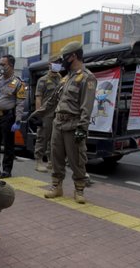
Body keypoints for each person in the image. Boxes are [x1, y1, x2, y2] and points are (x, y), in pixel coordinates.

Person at [29, 41, 97, 204]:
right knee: (56, 157)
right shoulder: (65, 79)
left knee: (77, 159)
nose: (62, 62)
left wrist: (82, 128)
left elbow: (86, 106)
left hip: (73, 125)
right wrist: (37, 114)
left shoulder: (87, 77)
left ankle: (79, 190)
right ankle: (56, 187)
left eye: (64, 58)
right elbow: (52, 101)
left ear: (73, 56)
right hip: (58, 124)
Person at [33, 56, 62, 173]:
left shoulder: (60, 79)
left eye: (59, 63)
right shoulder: (43, 80)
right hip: (46, 114)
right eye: (55, 63)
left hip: (57, 113)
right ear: (49, 64)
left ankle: (51, 161)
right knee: (42, 137)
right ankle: (39, 161)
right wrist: (38, 114)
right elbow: (38, 98)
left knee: (54, 139)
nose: (58, 65)